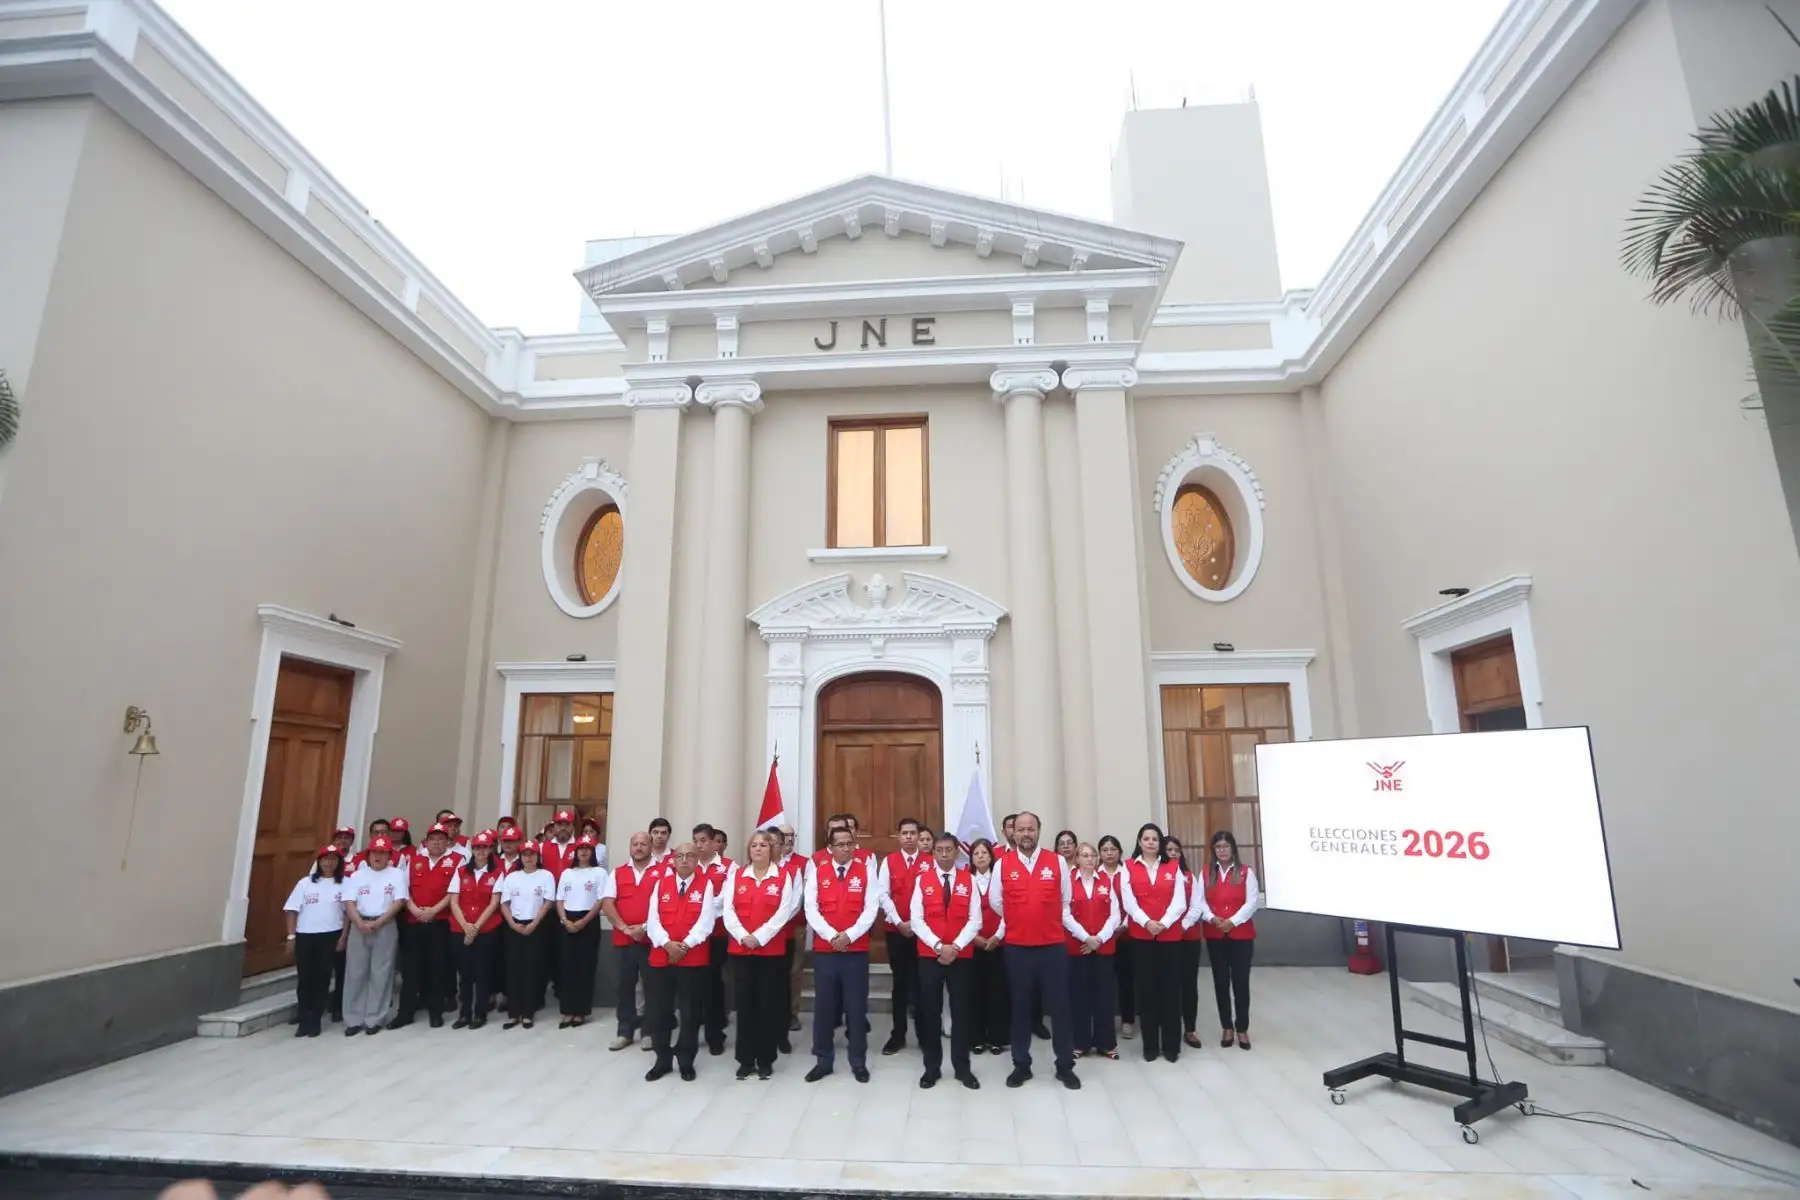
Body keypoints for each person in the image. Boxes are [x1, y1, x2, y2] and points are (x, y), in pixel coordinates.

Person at [987, 812, 1080, 1089]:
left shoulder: (1057, 862)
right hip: (1018, 948)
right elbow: (996, 902)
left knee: (1060, 1008)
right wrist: (1020, 917)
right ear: (1012, 833)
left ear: (1038, 831)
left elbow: (1065, 900)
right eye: (1021, 829)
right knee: (1020, 1008)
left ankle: (1065, 1065)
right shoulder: (1002, 865)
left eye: (1030, 829)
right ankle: (1021, 1065)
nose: (1026, 834)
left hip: (1052, 947)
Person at [803, 825, 879, 1083]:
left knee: (856, 1008)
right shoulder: (818, 872)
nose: (846, 849)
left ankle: (858, 1061)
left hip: (855, 951)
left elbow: (871, 909)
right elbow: (811, 908)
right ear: (830, 848)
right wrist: (831, 936)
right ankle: (823, 1060)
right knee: (824, 1007)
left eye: (850, 843)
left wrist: (849, 936)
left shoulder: (866, 871)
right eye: (841, 844)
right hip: (826, 951)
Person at [911, 832, 981, 1090]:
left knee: (962, 1013)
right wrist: (939, 946)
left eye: (948, 849)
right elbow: (916, 919)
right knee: (931, 1012)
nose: (943, 854)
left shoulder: (969, 880)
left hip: (961, 957)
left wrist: (956, 946)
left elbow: (975, 920)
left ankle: (962, 1068)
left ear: (956, 852)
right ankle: (932, 1068)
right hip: (930, 956)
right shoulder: (922, 880)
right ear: (933, 853)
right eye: (939, 850)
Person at [724, 830, 797, 1079]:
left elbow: (783, 912)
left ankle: (765, 1059)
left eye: (763, 845)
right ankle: (745, 1060)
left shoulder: (783, 877)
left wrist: (759, 937)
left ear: (771, 849)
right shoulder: (736, 876)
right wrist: (743, 936)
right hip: (741, 950)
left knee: (768, 1005)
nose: (758, 849)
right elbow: (728, 911)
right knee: (745, 1006)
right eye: (754, 845)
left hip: (770, 952)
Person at [645, 843, 718, 1081]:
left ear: (697, 860)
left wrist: (684, 946)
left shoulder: (706, 884)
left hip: (692, 958)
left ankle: (686, 1060)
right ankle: (662, 1059)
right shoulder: (661, 884)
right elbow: (653, 920)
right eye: (680, 856)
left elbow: (706, 921)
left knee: (690, 1012)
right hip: (662, 957)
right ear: (673, 860)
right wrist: (668, 944)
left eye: (690, 856)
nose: (684, 860)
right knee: (659, 1011)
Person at [1122, 822, 1186, 1063]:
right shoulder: (1128, 867)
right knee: (1147, 991)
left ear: (1160, 843)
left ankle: (1171, 1046)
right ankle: (1150, 1046)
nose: (1150, 842)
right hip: (1142, 937)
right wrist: (1147, 922)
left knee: (1170, 992)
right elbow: (1128, 901)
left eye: (1155, 839)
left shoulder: (1173, 866)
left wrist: (1163, 923)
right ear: (1139, 842)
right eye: (1146, 838)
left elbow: (1179, 901)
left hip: (1169, 937)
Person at [1194, 829, 1260, 1050]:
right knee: (1221, 982)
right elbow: (1199, 901)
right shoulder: (1206, 872)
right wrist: (1212, 918)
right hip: (1215, 934)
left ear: (1233, 849)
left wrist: (1232, 921)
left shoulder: (1245, 872)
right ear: (1213, 850)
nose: (1222, 850)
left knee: (1241, 982)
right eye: (1218, 847)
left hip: (1241, 935)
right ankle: (1227, 1027)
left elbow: (1252, 902)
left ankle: (1242, 1028)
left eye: (1226, 846)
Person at [391, 823, 457, 1029]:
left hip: (440, 922)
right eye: (432, 839)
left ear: (447, 842)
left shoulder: (457, 861)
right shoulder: (414, 861)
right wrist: (415, 910)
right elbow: (404, 890)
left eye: (441, 839)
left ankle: (435, 1011)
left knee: (437, 968)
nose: (436, 843)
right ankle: (405, 1012)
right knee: (411, 969)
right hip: (414, 922)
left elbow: (453, 893)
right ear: (426, 842)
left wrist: (433, 911)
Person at [340, 836, 406, 1036]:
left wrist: (379, 922)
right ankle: (353, 1018)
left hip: (385, 925)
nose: (378, 856)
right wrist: (359, 922)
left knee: (381, 973)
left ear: (389, 855)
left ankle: (375, 1018)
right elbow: (349, 902)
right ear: (368, 855)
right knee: (355, 973)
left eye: (383, 853)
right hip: (359, 925)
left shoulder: (397, 875)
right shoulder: (357, 876)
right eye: (375, 852)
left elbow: (399, 901)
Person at [282, 845, 347, 1038]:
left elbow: (348, 914)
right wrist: (291, 936)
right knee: (305, 978)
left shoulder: (345, 883)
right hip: (305, 935)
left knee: (322, 978)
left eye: (333, 859)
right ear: (319, 862)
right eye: (325, 859)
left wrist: (343, 937)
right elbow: (291, 910)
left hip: (331, 935)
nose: (329, 863)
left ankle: (315, 1018)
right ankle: (303, 1018)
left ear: (339, 863)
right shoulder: (305, 883)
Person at [876, 817, 927, 1055]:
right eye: (904, 833)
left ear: (919, 836)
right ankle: (898, 1035)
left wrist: (915, 924)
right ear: (899, 836)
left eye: (912, 833)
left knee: (922, 984)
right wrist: (899, 921)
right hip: (896, 931)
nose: (908, 837)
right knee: (900, 984)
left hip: (923, 933)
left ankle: (924, 1034)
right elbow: (883, 894)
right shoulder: (890, 861)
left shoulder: (929, 862)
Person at [603, 831, 659, 1050]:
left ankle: (649, 1032)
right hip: (624, 940)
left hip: (651, 941)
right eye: (635, 843)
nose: (638, 847)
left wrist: (644, 927)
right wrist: (625, 928)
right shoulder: (618, 872)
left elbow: (665, 904)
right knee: (624, 987)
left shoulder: (663, 871)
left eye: (643, 843)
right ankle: (624, 1031)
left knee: (652, 987)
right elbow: (608, 903)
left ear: (651, 846)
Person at [1067, 842, 1120, 1060]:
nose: (1089, 859)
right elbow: (1064, 914)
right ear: (1077, 859)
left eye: (1092, 855)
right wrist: (1086, 938)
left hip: (1103, 948)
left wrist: (1098, 939)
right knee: (1079, 996)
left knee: (1104, 997)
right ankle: (1080, 1043)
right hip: (1077, 948)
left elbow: (1115, 915)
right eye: (1085, 855)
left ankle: (1106, 1043)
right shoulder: (1068, 882)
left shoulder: (1106, 881)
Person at [448, 831, 503, 1029]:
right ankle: (464, 1014)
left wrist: (475, 928)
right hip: (460, 929)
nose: (481, 851)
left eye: (485, 847)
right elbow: (454, 902)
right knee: (464, 975)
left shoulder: (497, 873)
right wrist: (466, 926)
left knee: (482, 974)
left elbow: (493, 903)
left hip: (486, 930)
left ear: (491, 849)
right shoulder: (461, 871)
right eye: (477, 847)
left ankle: (480, 1013)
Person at [556, 835, 612, 1028]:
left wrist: (583, 921)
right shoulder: (567, 873)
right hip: (567, 920)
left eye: (588, 848)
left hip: (588, 920)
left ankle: (580, 1011)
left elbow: (601, 900)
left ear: (593, 852)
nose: (584, 852)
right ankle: (567, 1011)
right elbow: (559, 899)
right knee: (567, 967)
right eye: (581, 848)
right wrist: (564, 920)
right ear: (575, 851)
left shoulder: (599, 873)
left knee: (585, 967)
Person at [498, 841, 556, 1028]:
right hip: (514, 926)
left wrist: (534, 924)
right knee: (513, 969)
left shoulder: (546, 876)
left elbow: (547, 902)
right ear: (520, 857)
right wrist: (513, 924)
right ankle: (513, 1013)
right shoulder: (512, 877)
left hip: (536, 926)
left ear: (538, 857)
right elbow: (504, 903)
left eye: (532, 854)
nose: (528, 858)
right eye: (525, 854)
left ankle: (528, 1012)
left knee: (532, 970)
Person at [966, 838, 1009, 1055]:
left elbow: (1008, 911)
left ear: (991, 856)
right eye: (976, 853)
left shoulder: (1000, 880)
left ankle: (996, 1039)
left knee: (997, 992)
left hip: (997, 944)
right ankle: (976, 1038)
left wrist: (997, 937)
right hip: (972, 945)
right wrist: (974, 938)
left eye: (984, 852)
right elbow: (961, 914)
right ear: (971, 858)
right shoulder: (966, 881)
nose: (981, 856)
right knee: (974, 993)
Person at [695, 823, 734, 1055]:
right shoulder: (690, 865)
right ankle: (692, 1032)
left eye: (703, 840)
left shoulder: (729, 867)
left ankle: (715, 1035)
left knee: (713, 985)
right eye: (696, 841)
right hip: (692, 937)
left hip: (716, 935)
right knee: (693, 986)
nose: (699, 845)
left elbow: (724, 900)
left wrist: (700, 910)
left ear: (713, 842)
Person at [1166, 834, 1204, 1050]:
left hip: (1188, 937)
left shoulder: (1189, 876)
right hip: (1165, 938)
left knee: (1189, 984)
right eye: (1169, 850)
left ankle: (1190, 1029)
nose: (1173, 854)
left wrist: (1182, 925)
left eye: (1176, 850)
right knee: (1169, 984)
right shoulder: (1158, 876)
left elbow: (1197, 906)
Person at [1098, 834, 1134, 1040]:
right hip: (1102, 937)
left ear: (1120, 852)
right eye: (1105, 850)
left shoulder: (1127, 873)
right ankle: (1105, 1021)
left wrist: (1123, 925)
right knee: (1103, 980)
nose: (1109, 853)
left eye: (1113, 849)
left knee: (1126, 980)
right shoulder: (1095, 874)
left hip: (1126, 935)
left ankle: (1128, 1020)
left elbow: (1135, 903)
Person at [777, 824, 807, 1046]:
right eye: (784, 836)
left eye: (791, 835)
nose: (788, 839)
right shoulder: (767, 863)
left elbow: (801, 898)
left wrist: (781, 918)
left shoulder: (804, 863)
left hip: (794, 926)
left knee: (794, 971)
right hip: (768, 931)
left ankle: (792, 1013)